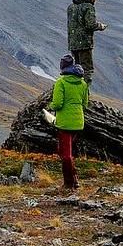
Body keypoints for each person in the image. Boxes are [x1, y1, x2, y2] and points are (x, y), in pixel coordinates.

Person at [48, 54, 90, 190]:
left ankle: (69, 183)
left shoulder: (61, 82)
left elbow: (58, 104)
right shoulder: (83, 83)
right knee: (66, 152)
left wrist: (50, 107)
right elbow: (85, 104)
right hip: (78, 123)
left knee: (65, 155)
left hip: (64, 123)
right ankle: (75, 180)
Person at [67, 0, 106, 83]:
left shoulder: (71, 7)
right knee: (86, 70)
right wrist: (100, 26)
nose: (95, 0)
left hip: (73, 43)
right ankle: (84, 93)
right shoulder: (88, 7)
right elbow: (90, 24)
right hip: (84, 43)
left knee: (76, 68)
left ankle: (75, 90)